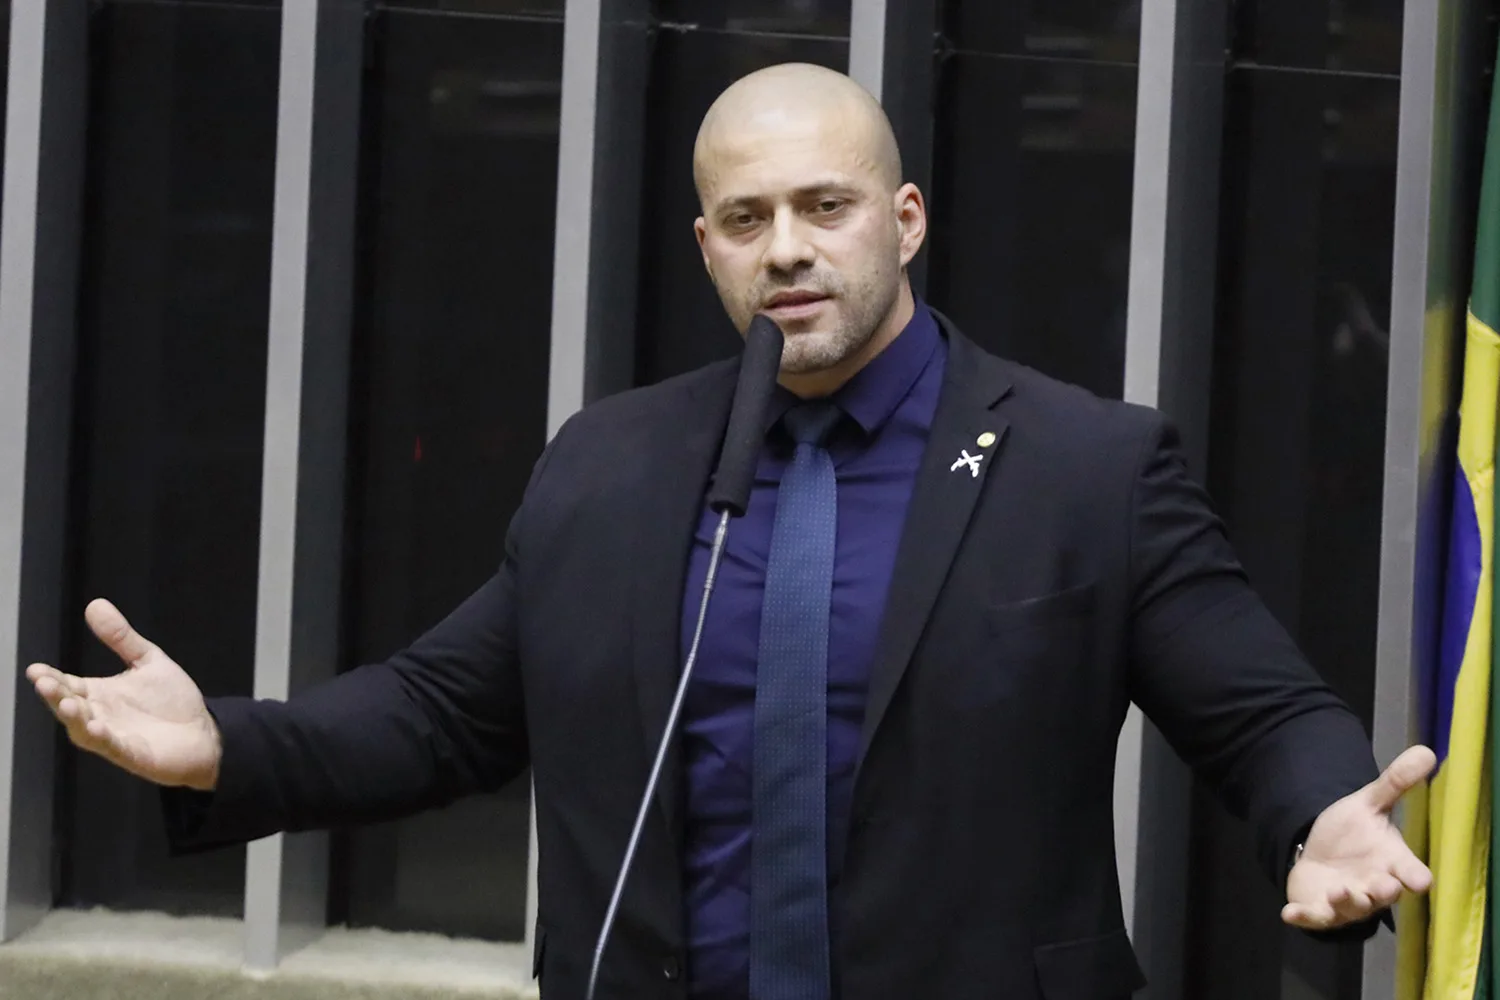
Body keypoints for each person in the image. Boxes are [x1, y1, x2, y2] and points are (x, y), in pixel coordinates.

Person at [27, 62, 1434, 999]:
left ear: (906, 218)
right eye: (746, 219)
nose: (788, 248)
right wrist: (226, 743)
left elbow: (1259, 714)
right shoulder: (615, 463)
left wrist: (1324, 813)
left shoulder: (1085, 464)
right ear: (706, 246)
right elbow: (443, 709)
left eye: (824, 208)